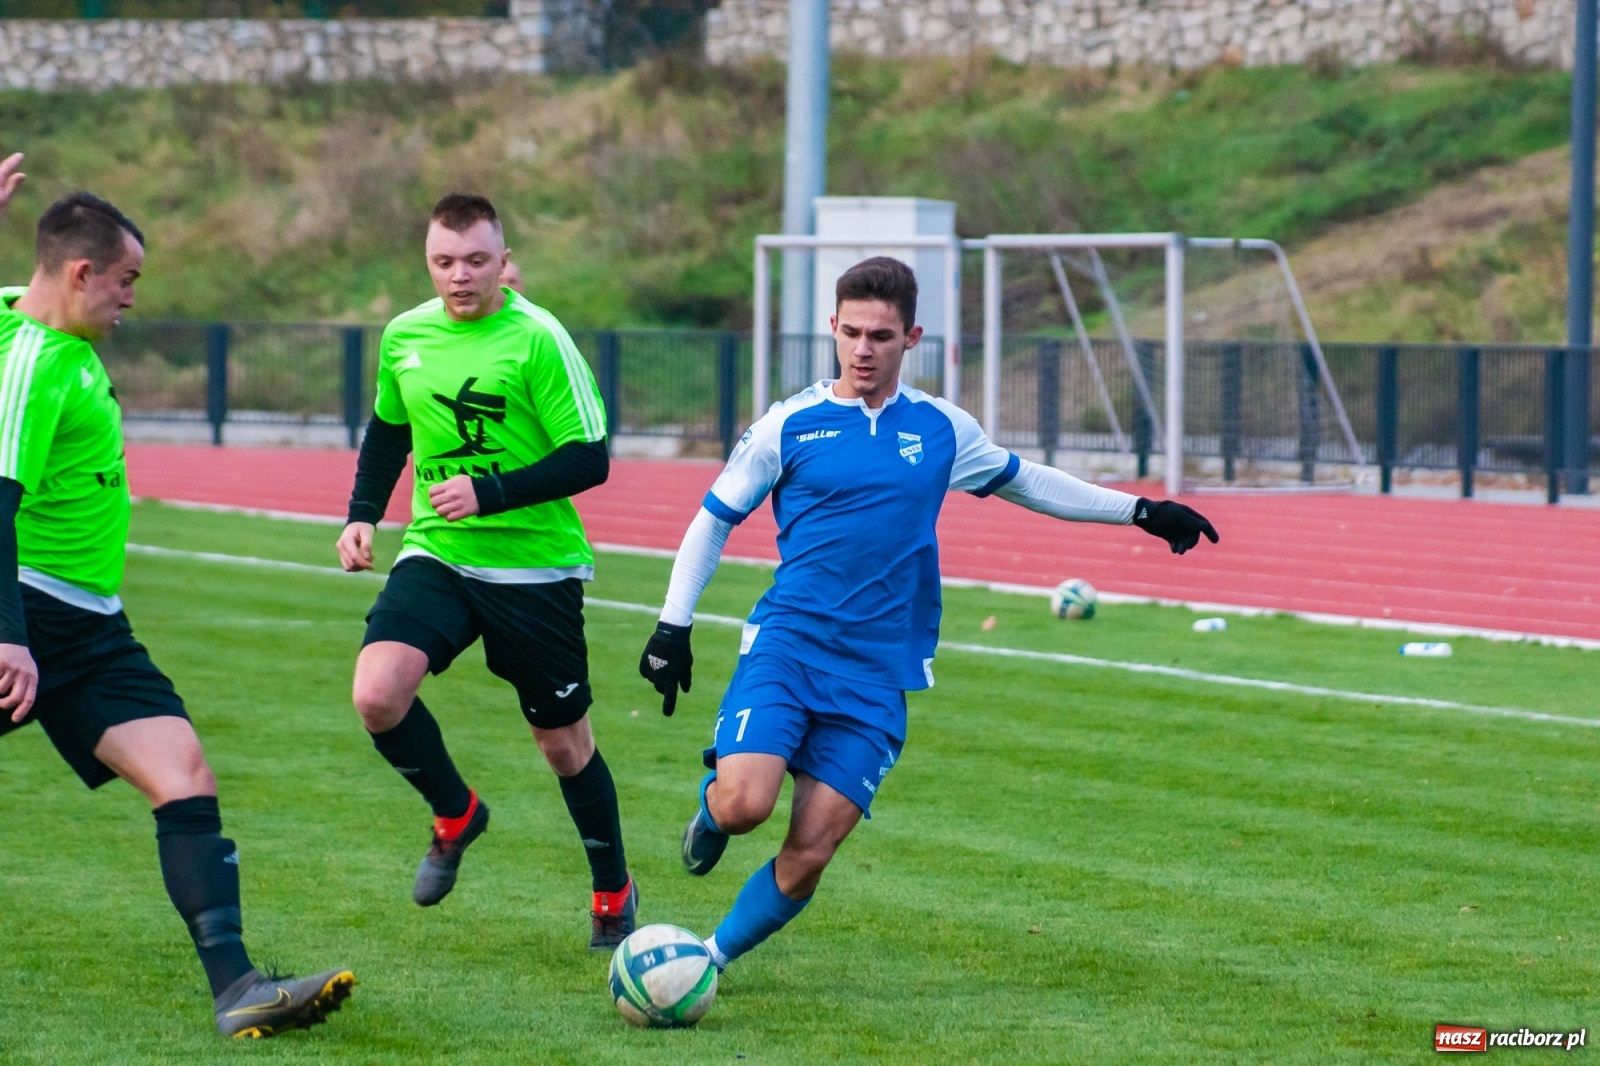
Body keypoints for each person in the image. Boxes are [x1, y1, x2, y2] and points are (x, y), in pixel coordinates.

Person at [638, 256, 1219, 971]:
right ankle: (715, 800)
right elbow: (713, 519)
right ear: (832, 327)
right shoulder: (788, 426)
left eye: (880, 336)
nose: (862, 350)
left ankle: (707, 960)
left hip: (877, 672)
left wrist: (1140, 511)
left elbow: (1027, 481)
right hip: (789, 647)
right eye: (850, 333)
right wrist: (674, 624)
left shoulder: (943, 429)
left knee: (812, 849)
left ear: (911, 337)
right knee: (743, 807)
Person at [0, 188, 354, 1038]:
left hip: (90, 628)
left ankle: (237, 989)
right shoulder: (37, 362)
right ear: (80, 273)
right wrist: (9, 638)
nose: (132, 297)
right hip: (30, 613)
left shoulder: (30, 315)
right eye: (125, 280)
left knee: (182, 771)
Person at [337, 193, 636, 948]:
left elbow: (590, 456)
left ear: (504, 262)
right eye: (444, 261)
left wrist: (491, 492)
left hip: (535, 569)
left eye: (476, 260)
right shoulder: (406, 335)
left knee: (565, 747)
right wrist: (363, 513)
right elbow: (388, 431)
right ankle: (456, 812)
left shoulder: (539, 339)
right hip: (439, 551)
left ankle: (612, 890)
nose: (460, 275)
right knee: (377, 693)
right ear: (427, 262)